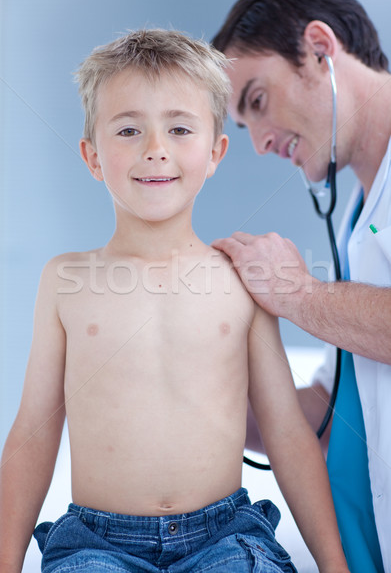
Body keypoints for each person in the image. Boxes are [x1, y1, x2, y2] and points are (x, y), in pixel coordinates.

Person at [0, 28, 349, 573]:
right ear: (93, 157)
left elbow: (287, 433)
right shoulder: (65, 280)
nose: (155, 149)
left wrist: (335, 566)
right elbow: (32, 431)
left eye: (179, 128)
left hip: (225, 536)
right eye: (129, 130)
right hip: (97, 543)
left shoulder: (241, 282)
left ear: (215, 153)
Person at [212, 0, 391, 573]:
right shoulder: (354, 217)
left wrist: (296, 293)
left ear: (319, 48)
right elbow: (331, 406)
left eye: (257, 101)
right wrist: (200, 401)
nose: (260, 144)